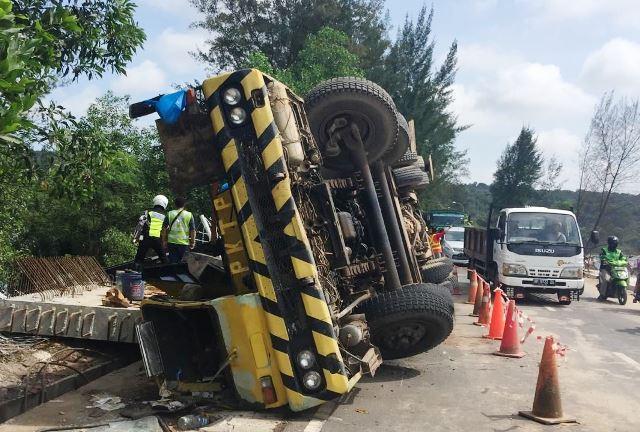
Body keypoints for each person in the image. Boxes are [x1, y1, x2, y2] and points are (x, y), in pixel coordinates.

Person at [134, 195, 169, 266]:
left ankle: (135, 272)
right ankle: (167, 273)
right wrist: (164, 241)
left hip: (145, 238)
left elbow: (140, 224)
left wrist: (135, 238)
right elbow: (166, 229)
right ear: (165, 204)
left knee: (139, 258)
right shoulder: (165, 216)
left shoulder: (147, 212)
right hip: (157, 239)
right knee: (164, 259)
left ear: (155, 202)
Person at [164, 197, 196, 263]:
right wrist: (192, 242)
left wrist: (164, 240)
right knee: (184, 263)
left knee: (173, 262)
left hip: (172, 242)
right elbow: (192, 230)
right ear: (184, 205)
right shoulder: (189, 215)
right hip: (184, 243)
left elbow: (164, 229)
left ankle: (173, 273)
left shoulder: (169, 214)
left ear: (175, 204)